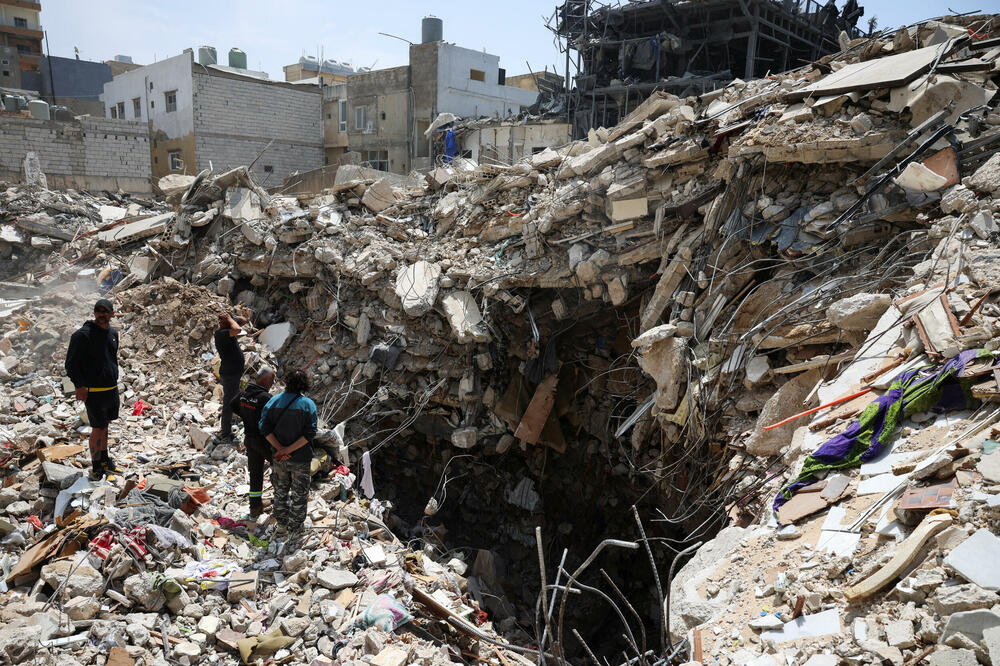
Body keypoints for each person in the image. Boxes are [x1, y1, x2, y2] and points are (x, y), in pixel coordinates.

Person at [66, 298, 122, 478]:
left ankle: (105, 459)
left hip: (111, 389)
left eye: (105, 311)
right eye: (98, 311)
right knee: (97, 428)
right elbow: (71, 364)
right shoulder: (82, 335)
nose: (101, 314)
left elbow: (111, 359)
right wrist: (79, 386)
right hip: (94, 392)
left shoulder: (113, 333)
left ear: (112, 314)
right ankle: (97, 466)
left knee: (105, 426)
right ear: (94, 313)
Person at [259, 369, 317, 538]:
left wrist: (280, 449)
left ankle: (282, 524)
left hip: (279, 458)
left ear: (287, 382)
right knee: (299, 494)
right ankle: (296, 528)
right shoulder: (308, 405)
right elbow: (310, 433)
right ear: (305, 384)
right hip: (301, 458)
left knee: (280, 491)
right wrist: (288, 450)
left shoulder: (273, 401)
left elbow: (264, 428)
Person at [231, 366, 275, 519]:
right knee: (279, 468)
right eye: (272, 380)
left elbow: (232, 405)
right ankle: (280, 502)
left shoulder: (243, 395)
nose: (273, 383)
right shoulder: (266, 398)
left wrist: (246, 416)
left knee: (255, 474)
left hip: (249, 440)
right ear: (265, 380)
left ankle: (255, 507)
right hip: (264, 441)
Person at [215, 311, 245, 442]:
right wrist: (228, 319)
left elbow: (243, 321)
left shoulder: (228, 329)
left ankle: (231, 425)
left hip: (233, 373)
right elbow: (238, 329)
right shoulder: (221, 334)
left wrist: (231, 317)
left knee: (233, 399)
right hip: (230, 374)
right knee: (228, 403)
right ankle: (225, 433)